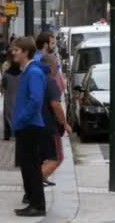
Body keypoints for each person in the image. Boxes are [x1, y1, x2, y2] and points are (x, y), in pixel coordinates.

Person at [11, 37, 47, 217]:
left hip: (30, 126)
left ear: (25, 52)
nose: (13, 52)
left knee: (31, 167)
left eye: (16, 50)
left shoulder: (33, 72)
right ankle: (33, 202)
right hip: (27, 126)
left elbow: (35, 100)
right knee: (27, 166)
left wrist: (20, 120)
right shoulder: (29, 71)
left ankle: (38, 205)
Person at [38, 54, 72, 187]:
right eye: (56, 66)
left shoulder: (37, 79)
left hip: (36, 124)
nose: (57, 69)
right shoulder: (50, 81)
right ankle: (35, 182)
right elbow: (55, 104)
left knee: (41, 157)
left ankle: (39, 179)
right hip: (50, 125)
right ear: (50, 66)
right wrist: (65, 123)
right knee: (56, 157)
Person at [1, 50, 21, 141]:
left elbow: (3, 85)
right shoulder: (22, 74)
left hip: (9, 96)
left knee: (7, 115)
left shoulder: (6, 74)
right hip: (19, 97)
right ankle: (17, 133)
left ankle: (7, 134)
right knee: (18, 115)